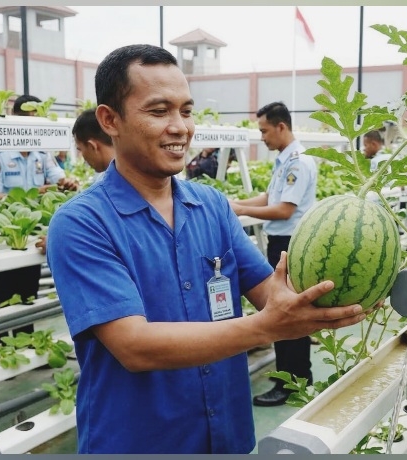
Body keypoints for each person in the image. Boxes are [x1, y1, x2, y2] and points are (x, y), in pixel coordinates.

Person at [46, 44, 368, 454]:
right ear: (110, 120)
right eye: (159, 111)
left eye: (186, 110)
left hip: (227, 435)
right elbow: (133, 346)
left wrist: (332, 296)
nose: (180, 126)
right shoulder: (81, 223)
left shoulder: (211, 206)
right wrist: (267, 326)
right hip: (138, 441)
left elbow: (268, 290)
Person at [229, 101, 318, 407]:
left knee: (284, 312)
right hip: (281, 243)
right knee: (284, 308)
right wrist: (237, 202)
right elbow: (270, 196)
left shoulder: (298, 163)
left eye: (265, 131)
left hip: (290, 244)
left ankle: (292, 384)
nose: (262, 138)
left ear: (281, 127)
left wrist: (239, 208)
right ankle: (292, 376)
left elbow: (283, 209)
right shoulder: (285, 161)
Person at [0, 94, 79, 314]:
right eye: (29, 120)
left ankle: (25, 340)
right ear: (16, 119)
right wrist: (34, 195)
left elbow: (57, 176)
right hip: (5, 238)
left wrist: (67, 183)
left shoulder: (42, 153)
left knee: (28, 297)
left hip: (32, 234)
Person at [35, 109, 116, 255]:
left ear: (92, 146)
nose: (83, 156)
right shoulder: (130, 174)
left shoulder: (106, 183)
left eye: (80, 149)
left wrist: (59, 242)